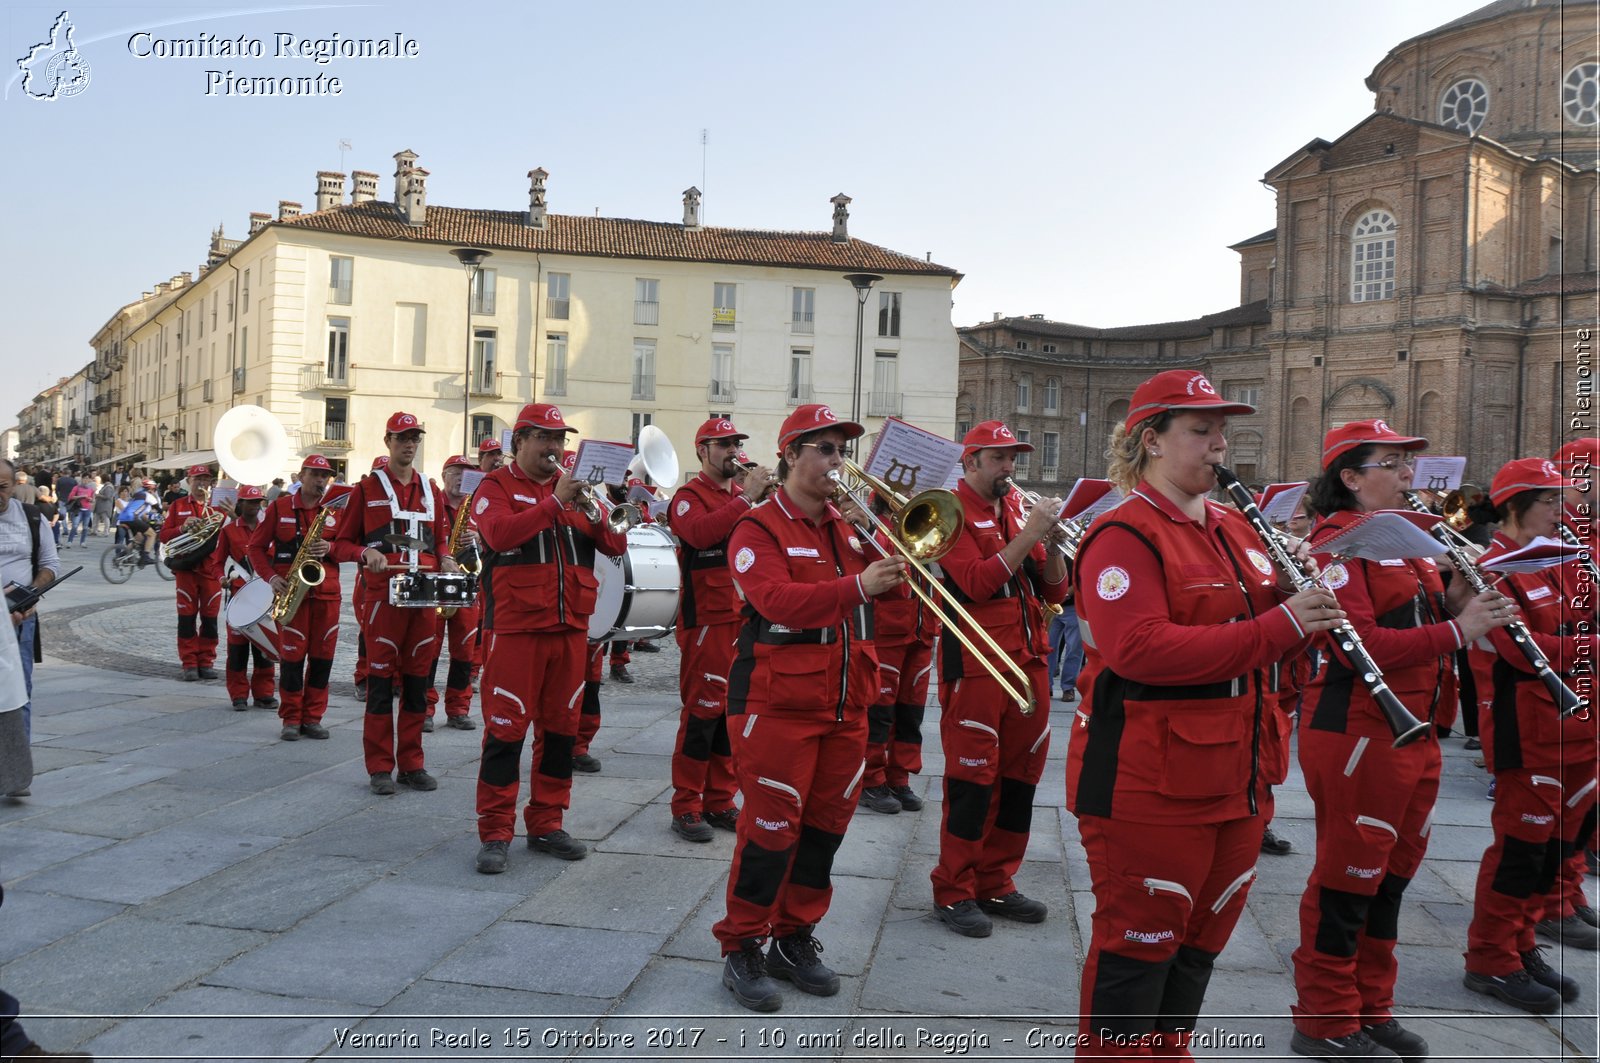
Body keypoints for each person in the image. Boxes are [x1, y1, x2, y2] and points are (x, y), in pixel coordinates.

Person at [1066, 372, 1341, 1058]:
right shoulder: (1122, 532)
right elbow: (1139, 649)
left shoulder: (1234, 528)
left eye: (1221, 430)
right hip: (1150, 780)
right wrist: (1280, 624)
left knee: (1200, 942)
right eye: (1201, 430)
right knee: (1139, 945)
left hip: (1240, 772)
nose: (1221, 445)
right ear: (1150, 440)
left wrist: (1303, 610)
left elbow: (1264, 639)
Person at [1290, 418, 1514, 1062]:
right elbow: (1363, 643)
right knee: (1348, 875)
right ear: (1351, 478)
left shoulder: (1408, 541)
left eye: (1408, 463)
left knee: (1392, 875)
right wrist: (1460, 629)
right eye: (1392, 463)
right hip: (1358, 728)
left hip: (1415, 727)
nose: (1408, 474)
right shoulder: (1335, 546)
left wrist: (1464, 590)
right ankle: (1324, 1016)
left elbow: (1422, 615)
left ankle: (1371, 1004)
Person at [712, 403, 906, 1012]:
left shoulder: (849, 526)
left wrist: (885, 542)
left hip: (847, 701)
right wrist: (857, 585)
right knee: (770, 831)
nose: (836, 462)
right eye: (824, 449)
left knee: (825, 830)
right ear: (791, 454)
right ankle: (741, 943)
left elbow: (899, 591)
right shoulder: (757, 526)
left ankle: (793, 936)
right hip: (777, 701)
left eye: (841, 451)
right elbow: (775, 600)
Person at [1463, 457, 1598, 1013]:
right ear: (1516, 505)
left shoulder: (1557, 559)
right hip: (1530, 728)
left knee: (1553, 847)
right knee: (1520, 849)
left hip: (1577, 724)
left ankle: (1520, 944)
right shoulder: (1495, 568)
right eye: (1548, 500)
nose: (1560, 509)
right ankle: (1490, 958)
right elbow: (1528, 651)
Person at [470, 404, 629, 873]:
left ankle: (547, 823)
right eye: (544, 437)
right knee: (506, 730)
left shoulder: (577, 491)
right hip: (517, 629)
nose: (555, 447)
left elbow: (615, 545)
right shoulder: (494, 487)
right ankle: (495, 831)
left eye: (559, 438)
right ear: (518, 442)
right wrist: (554, 503)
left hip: (569, 630)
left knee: (560, 733)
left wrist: (596, 509)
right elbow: (498, 535)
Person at [929, 420, 1068, 938]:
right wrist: (1030, 533)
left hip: (1029, 658)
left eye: (1013, 457)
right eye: (998, 458)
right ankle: (954, 888)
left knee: (1020, 781)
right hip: (979, 662)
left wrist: (1050, 543)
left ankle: (997, 880)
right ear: (970, 462)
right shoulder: (950, 512)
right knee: (971, 781)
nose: (1010, 467)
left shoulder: (1013, 509)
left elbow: (1055, 591)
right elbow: (977, 583)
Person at [330, 415, 456, 793]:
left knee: (418, 684)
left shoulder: (430, 490)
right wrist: (366, 551)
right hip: (383, 598)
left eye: (415, 438)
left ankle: (413, 764)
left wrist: (447, 558)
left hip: (423, 598)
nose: (409, 445)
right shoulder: (366, 489)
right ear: (388, 440)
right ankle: (380, 768)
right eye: (402, 438)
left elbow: (440, 540)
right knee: (381, 684)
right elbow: (339, 543)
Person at [665, 417, 776, 842]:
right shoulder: (688, 498)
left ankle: (720, 800)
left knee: (732, 714)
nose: (732, 451)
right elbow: (700, 533)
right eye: (723, 444)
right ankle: (686, 805)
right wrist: (747, 499)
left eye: (735, 444)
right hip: (706, 620)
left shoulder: (742, 497)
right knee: (701, 714)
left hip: (741, 616)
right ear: (702, 451)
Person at [251, 456, 347, 742]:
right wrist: (270, 577)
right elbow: (255, 548)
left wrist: (330, 546)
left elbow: (351, 548)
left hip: (326, 594)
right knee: (292, 658)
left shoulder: (335, 510)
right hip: (292, 593)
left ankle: (313, 718)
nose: (320, 481)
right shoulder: (279, 507)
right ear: (300, 475)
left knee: (322, 660)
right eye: (315, 474)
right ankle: (291, 718)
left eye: (325, 476)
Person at [859, 492, 939, 815]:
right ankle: (871, 779)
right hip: (889, 633)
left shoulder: (929, 531)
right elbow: (887, 573)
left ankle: (899, 776)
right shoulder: (875, 532)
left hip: (923, 631)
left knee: (911, 714)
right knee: (880, 712)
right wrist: (874, 527)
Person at [0, 458, 60, 752]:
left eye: (2, 486)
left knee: (19, 690)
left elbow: (50, 565)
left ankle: (16, 763)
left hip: (21, 617)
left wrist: (29, 595)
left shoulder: (32, 517)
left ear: (14, 486)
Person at [422, 454, 482, 732]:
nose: (461, 478)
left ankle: (458, 709)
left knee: (464, 652)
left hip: (468, 585)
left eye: (467, 474)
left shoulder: (479, 509)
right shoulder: (431, 504)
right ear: (444, 475)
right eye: (455, 472)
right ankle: (424, 707)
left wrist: (480, 537)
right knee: (429, 650)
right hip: (437, 583)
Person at [158, 465, 227, 681]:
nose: (202, 484)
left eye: (206, 480)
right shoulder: (178, 506)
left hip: (210, 571)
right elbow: (164, 536)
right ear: (189, 481)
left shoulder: (218, 508)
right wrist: (182, 528)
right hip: (186, 570)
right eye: (197, 479)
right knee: (186, 619)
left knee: (210, 620)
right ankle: (188, 663)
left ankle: (206, 662)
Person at [219, 484, 276, 711]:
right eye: (250, 502)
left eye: (258, 502)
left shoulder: (268, 529)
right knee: (237, 650)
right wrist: (220, 578)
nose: (254, 506)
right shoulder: (229, 531)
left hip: (264, 596)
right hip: (239, 596)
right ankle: (239, 694)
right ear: (240, 504)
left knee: (265, 648)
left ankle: (264, 694)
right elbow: (217, 561)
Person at [116, 480, 160, 565]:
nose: (155, 491)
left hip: (123, 518)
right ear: (151, 489)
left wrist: (146, 519)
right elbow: (159, 509)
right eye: (154, 489)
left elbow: (141, 512)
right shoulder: (149, 496)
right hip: (131, 518)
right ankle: (145, 557)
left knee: (138, 538)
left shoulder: (137, 495)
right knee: (152, 534)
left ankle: (122, 556)